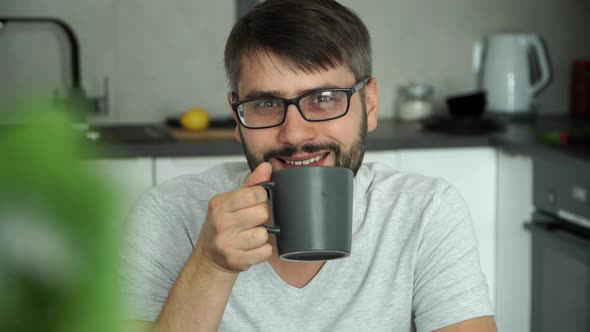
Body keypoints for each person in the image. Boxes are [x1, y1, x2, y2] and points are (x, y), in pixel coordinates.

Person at [121, 1, 497, 331]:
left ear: (369, 104)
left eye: (325, 98)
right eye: (266, 104)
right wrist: (210, 266)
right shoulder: (169, 214)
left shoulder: (426, 211)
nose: (295, 134)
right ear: (237, 119)